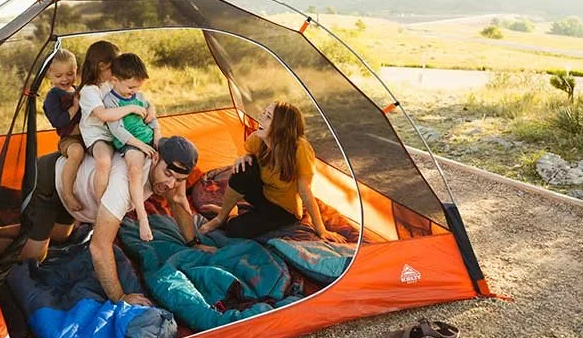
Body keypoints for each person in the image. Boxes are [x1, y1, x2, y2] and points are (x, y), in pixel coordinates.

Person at [20, 136, 204, 305]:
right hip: (47, 180)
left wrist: (193, 243)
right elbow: (99, 247)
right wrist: (120, 297)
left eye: (179, 179)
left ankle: (23, 229)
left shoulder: (168, 172)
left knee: (61, 235)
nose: (171, 184)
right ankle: (3, 236)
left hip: (72, 196)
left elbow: (177, 201)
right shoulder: (123, 185)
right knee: (34, 257)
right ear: (155, 158)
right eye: (168, 174)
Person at [199, 100, 345, 242]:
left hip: (283, 209)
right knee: (243, 168)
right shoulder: (257, 139)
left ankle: (233, 214)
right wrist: (245, 157)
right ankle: (221, 217)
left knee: (234, 229)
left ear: (280, 127)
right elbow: (248, 155)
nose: (261, 117)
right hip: (263, 194)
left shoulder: (300, 149)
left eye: (268, 117)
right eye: (264, 113)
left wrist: (321, 230)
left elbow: (305, 192)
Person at [76, 40, 154, 203]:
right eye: (114, 66)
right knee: (104, 161)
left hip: (114, 132)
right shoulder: (89, 90)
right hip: (98, 136)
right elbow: (103, 115)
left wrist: (150, 108)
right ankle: (101, 203)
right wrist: (131, 108)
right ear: (102, 66)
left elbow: (136, 96)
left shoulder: (109, 83)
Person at [103, 52, 161, 241]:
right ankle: (142, 218)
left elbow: (152, 119)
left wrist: (157, 136)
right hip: (131, 143)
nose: (134, 91)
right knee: (134, 169)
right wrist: (141, 146)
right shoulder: (110, 101)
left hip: (149, 136)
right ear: (114, 80)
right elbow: (117, 130)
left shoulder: (139, 96)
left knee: (178, 153)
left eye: (137, 87)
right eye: (130, 87)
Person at [41, 49, 86, 212]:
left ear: (76, 70)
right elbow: (57, 121)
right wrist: (75, 107)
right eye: (59, 76)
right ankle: (67, 193)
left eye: (69, 74)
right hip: (69, 139)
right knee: (77, 152)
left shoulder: (79, 90)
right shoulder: (53, 97)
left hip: (88, 136)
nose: (65, 79)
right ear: (49, 74)